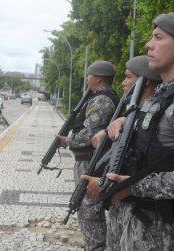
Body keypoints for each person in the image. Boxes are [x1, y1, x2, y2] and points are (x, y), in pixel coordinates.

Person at [86, 13, 174, 250]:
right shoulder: (161, 96)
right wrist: (123, 121)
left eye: (158, 37)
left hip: (163, 234)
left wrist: (132, 186)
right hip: (134, 223)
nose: (148, 44)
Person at [84, 55, 162, 250]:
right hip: (124, 205)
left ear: (146, 81)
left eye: (128, 77)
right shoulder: (136, 113)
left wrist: (108, 184)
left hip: (144, 212)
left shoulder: (158, 114)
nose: (123, 82)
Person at [56, 60, 119, 251]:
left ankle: (96, 246)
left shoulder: (102, 100)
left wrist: (67, 140)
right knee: (85, 206)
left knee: (89, 208)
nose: (87, 79)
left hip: (91, 162)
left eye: (90, 75)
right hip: (86, 160)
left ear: (99, 78)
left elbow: (89, 134)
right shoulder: (97, 97)